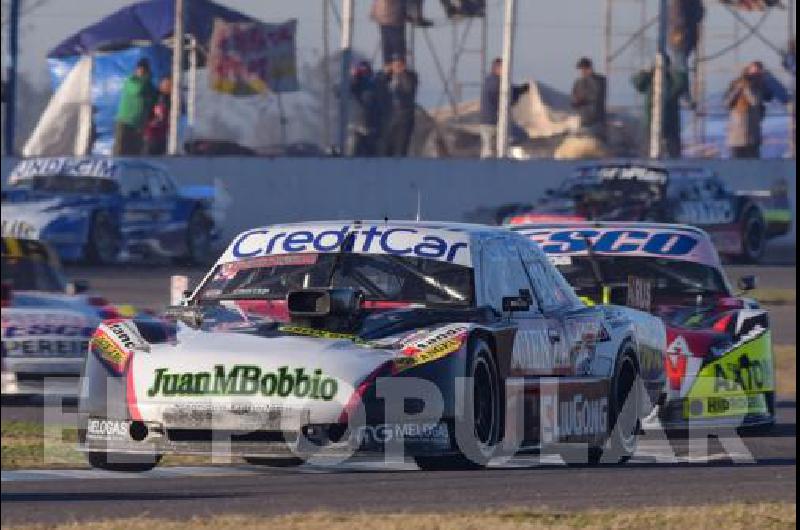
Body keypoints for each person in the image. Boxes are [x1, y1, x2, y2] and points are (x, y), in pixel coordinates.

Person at [724, 61, 787, 158]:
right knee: (736, 164)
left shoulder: (759, 87)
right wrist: (737, 89)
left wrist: (747, 89)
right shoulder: (736, 84)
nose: (755, 75)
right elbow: (726, 103)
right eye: (753, 72)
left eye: (758, 72)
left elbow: (755, 102)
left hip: (752, 136)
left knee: (753, 163)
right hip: (736, 136)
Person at [631, 57, 689, 158]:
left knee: (673, 148)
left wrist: (673, 71)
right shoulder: (650, 79)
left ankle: (674, 162)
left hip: (670, 120)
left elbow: (680, 84)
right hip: (651, 120)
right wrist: (646, 72)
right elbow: (637, 83)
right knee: (649, 146)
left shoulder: (671, 79)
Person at [479, 58, 530, 158]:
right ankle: (506, 151)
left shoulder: (490, 81)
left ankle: (487, 168)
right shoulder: (497, 83)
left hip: (486, 122)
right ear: (497, 69)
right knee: (522, 136)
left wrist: (519, 90)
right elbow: (506, 99)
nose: (507, 71)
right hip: (496, 121)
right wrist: (518, 92)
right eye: (504, 68)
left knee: (487, 150)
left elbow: (508, 91)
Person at [114, 58, 156, 156]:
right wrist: (145, 80)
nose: (141, 72)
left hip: (138, 125)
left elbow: (153, 100)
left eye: (144, 70)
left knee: (135, 151)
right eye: (139, 69)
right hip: (125, 122)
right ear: (136, 70)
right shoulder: (131, 80)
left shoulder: (149, 86)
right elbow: (137, 90)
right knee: (120, 150)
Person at [371, 1, 432, 66]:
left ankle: (388, 68)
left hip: (381, 12)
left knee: (387, 44)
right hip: (394, 14)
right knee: (398, 47)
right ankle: (399, 70)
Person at [381, 55, 418, 157]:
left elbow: (408, 89)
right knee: (385, 150)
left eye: (399, 64)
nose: (396, 66)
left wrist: (401, 74)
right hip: (388, 120)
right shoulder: (386, 78)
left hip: (403, 119)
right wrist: (385, 74)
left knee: (400, 150)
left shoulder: (410, 77)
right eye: (394, 63)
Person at [348, 62, 381, 156]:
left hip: (371, 129)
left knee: (370, 156)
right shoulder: (355, 84)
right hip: (357, 128)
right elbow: (340, 91)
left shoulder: (373, 84)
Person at [571, 57, 607, 141]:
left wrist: (583, 98)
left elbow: (597, 95)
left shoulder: (599, 80)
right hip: (583, 119)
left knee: (594, 141)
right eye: (581, 69)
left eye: (584, 69)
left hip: (596, 120)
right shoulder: (578, 82)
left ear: (589, 68)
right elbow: (573, 98)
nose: (582, 71)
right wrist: (575, 102)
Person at [142, 77, 171, 156]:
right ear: (160, 85)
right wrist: (151, 121)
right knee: (149, 154)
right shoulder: (154, 97)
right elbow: (146, 111)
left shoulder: (171, 99)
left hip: (163, 135)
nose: (167, 87)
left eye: (169, 85)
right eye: (165, 85)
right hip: (151, 133)